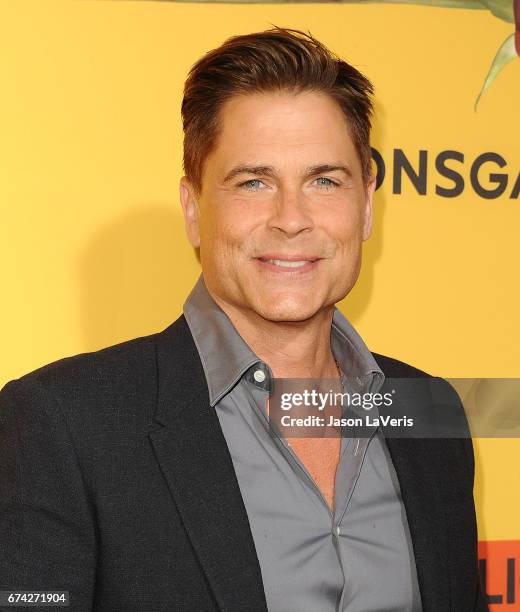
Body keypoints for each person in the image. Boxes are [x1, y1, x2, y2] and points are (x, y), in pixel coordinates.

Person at [0, 27, 487, 611]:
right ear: (193, 209)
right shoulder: (62, 423)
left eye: (324, 181)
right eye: (253, 182)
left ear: (365, 207)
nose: (291, 219)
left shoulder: (428, 410)